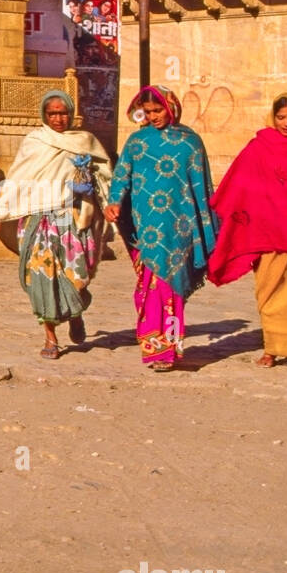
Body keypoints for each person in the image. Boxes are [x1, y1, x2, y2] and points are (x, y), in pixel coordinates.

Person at [208, 93, 287, 374]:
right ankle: (275, 347)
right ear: (273, 117)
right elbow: (240, 180)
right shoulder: (260, 146)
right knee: (273, 292)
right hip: (269, 230)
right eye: (282, 117)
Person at [0, 90, 113, 359]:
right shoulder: (35, 141)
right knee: (41, 278)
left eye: (63, 112)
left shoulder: (85, 141)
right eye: (52, 113)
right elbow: (17, 179)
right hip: (38, 220)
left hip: (74, 219)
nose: (58, 118)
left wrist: (99, 192)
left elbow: (105, 176)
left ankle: (74, 313)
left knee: (77, 278)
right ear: (44, 114)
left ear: (71, 114)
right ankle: (51, 338)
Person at [104, 86, 219, 372]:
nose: (154, 116)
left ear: (171, 107)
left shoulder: (189, 142)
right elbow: (122, 176)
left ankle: (166, 350)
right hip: (144, 225)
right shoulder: (136, 142)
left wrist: (203, 223)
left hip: (179, 225)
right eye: (149, 112)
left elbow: (201, 187)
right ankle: (152, 344)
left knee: (169, 285)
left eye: (159, 111)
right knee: (149, 285)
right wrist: (114, 202)